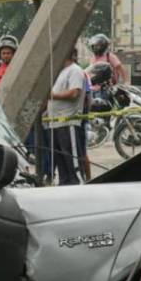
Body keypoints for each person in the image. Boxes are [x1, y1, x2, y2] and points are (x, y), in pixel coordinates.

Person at [47, 47, 86, 186]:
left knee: (71, 158)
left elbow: (74, 93)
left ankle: (77, 184)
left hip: (67, 122)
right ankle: (64, 184)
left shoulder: (74, 70)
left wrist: (52, 95)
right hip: (55, 122)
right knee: (60, 158)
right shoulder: (59, 71)